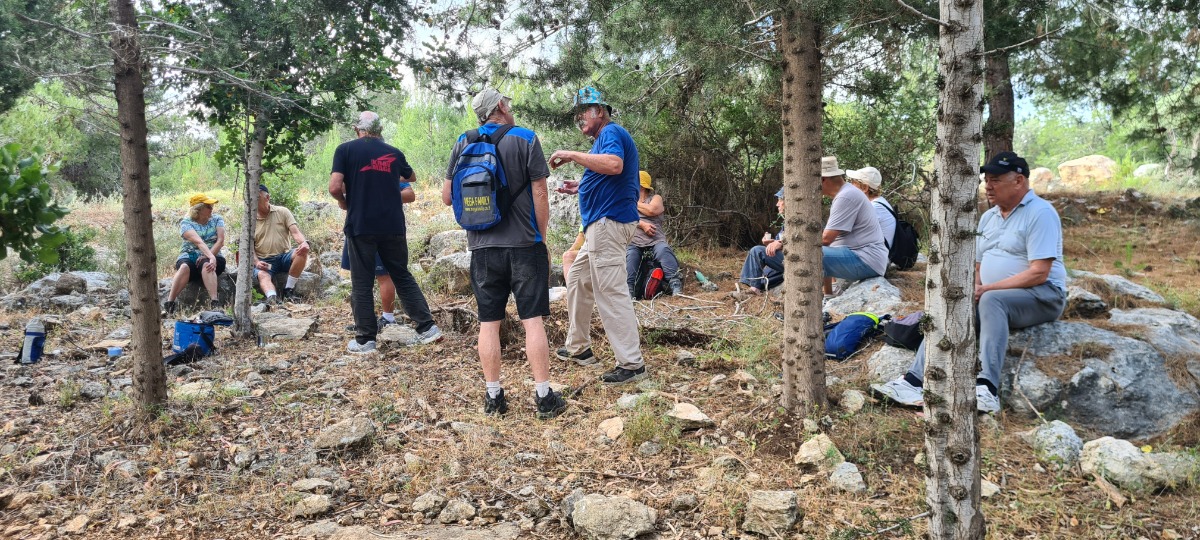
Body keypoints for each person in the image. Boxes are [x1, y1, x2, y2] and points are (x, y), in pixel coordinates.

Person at [871, 151, 1067, 414]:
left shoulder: (1041, 213)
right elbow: (977, 265)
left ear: (1019, 181)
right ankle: (914, 382)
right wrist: (974, 287)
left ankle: (987, 388)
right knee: (951, 305)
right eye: (987, 179)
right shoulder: (989, 217)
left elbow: (1039, 273)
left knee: (991, 300)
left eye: (996, 179)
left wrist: (986, 289)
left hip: (1042, 295)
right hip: (994, 295)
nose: (988, 185)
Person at [442, 88, 568, 419]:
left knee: (489, 324)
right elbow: (540, 191)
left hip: (482, 249)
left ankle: (494, 397)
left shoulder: (463, 141)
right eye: (507, 103)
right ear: (500, 106)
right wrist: (540, 236)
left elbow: (446, 196)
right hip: (524, 246)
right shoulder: (526, 138)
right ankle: (543, 396)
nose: (510, 107)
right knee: (533, 322)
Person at [548, 86, 647, 385]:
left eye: (584, 111)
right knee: (578, 278)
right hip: (600, 227)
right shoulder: (601, 142)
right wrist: (580, 186)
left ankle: (631, 364)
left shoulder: (610, 133)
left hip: (609, 224)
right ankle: (578, 348)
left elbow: (615, 165)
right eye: (578, 113)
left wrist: (571, 155)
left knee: (610, 290)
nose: (579, 118)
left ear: (600, 111)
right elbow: (607, 171)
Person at [329, 111, 442, 353]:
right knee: (401, 274)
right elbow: (411, 176)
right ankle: (427, 328)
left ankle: (366, 340)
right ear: (380, 130)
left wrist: (345, 201)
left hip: (361, 225)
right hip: (392, 225)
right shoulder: (393, 152)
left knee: (361, 282)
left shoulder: (345, 150)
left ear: (357, 129)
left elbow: (334, 186)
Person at [339, 182, 415, 330]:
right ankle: (364, 322)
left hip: (384, 228)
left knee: (383, 274)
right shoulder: (354, 165)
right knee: (359, 277)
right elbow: (338, 191)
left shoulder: (386, 163)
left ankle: (388, 318)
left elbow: (410, 195)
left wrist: (380, 197)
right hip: (358, 227)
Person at [818, 156, 888, 301]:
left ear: (823, 179)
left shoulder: (846, 197)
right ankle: (828, 295)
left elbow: (825, 240)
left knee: (809, 253)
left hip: (866, 259)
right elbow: (828, 242)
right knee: (817, 252)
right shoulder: (845, 194)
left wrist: (787, 244)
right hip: (866, 257)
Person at [164, 193, 227, 315]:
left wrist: (210, 256)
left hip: (212, 255)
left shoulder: (217, 219)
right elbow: (198, 242)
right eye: (208, 206)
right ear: (198, 209)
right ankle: (169, 303)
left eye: (211, 206)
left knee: (207, 265)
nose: (211, 208)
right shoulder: (186, 223)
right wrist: (210, 256)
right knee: (184, 267)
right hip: (191, 255)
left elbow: (220, 241)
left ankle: (214, 302)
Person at [626, 170, 683, 297]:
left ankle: (675, 284)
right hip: (634, 241)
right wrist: (641, 224)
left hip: (655, 240)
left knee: (663, 250)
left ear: (640, 185)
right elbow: (622, 218)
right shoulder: (627, 200)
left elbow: (652, 210)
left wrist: (631, 203)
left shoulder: (655, 198)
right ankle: (629, 291)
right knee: (631, 255)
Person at [251, 184, 310, 305]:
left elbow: (295, 232)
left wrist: (303, 243)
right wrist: (257, 262)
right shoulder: (249, 220)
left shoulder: (282, 212)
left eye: (257, 198)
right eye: (251, 198)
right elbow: (249, 247)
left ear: (267, 198)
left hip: (284, 257)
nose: (253, 201)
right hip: (265, 261)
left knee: (302, 253)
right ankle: (272, 298)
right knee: (262, 274)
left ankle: (288, 290)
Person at [734, 188, 786, 297]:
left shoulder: (798, 221)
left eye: (780, 200)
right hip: (786, 261)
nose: (777, 204)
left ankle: (754, 289)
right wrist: (771, 243)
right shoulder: (787, 221)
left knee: (756, 251)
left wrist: (780, 243)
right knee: (763, 279)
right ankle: (757, 287)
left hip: (793, 261)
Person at [845, 166, 896, 249]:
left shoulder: (874, 207)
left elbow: (846, 233)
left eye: (853, 182)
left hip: (876, 258)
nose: (850, 185)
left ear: (865, 188)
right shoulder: (880, 201)